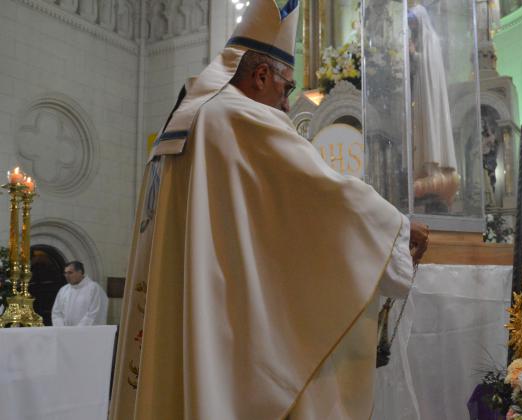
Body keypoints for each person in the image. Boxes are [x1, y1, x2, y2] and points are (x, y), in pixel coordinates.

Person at [109, 0, 429, 419]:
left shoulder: (183, 121)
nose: (285, 102)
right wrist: (397, 233)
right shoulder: (240, 117)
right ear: (261, 75)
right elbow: (321, 195)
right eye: (286, 87)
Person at [408, 5, 460, 210]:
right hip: (421, 94)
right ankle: (426, 170)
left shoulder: (430, 39)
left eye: (412, 21)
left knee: (431, 127)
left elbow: (428, 64)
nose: (411, 26)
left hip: (430, 97)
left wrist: (414, 54)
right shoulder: (420, 39)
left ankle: (434, 169)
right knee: (422, 128)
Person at [51, 261, 108, 327]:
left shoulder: (94, 288)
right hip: (66, 333)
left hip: (86, 333)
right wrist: (62, 329)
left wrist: (78, 330)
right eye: (65, 273)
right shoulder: (64, 290)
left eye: (70, 273)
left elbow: (94, 313)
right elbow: (56, 313)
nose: (67, 276)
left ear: (80, 272)